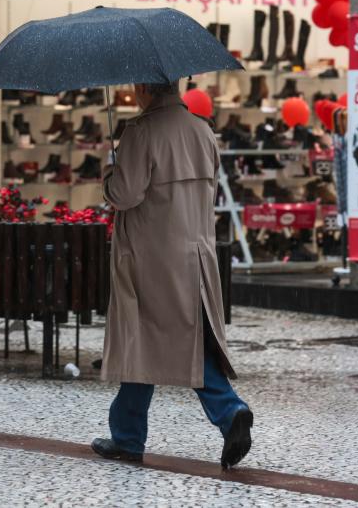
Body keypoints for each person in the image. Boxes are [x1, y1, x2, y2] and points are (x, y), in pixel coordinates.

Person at [92, 81, 253, 469]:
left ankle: (228, 410)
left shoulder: (141, 132)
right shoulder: (202, 130)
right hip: (196, 251)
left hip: (151, 255)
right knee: (166, 337)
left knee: (152, 337)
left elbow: (125, 194)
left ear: (145, 87)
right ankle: (128, 435)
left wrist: (110, 173)